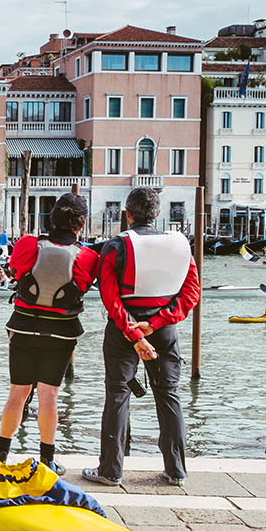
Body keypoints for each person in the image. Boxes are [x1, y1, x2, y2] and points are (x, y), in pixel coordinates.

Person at [82, 187, 201, 487]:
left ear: (128, 214)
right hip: (163, 329)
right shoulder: (180, 244)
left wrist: (134, 331)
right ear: (158, 214)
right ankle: (176, 471)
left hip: (124, 328)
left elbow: (110, 297)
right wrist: (156, 323)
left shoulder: (116, 245)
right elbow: (191, 294)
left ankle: (111, 470)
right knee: (168, 395)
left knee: (118, 395)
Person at [0, 192, 98, 474]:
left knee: (18, 393)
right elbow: (86, 285)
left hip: (23, 327)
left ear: (51, 218)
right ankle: (47, 460)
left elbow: (15, 269)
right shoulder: (89, 257)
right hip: (62, 333)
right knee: (49, 395)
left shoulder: (27, 245)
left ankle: (1, 455)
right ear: (82, 223)